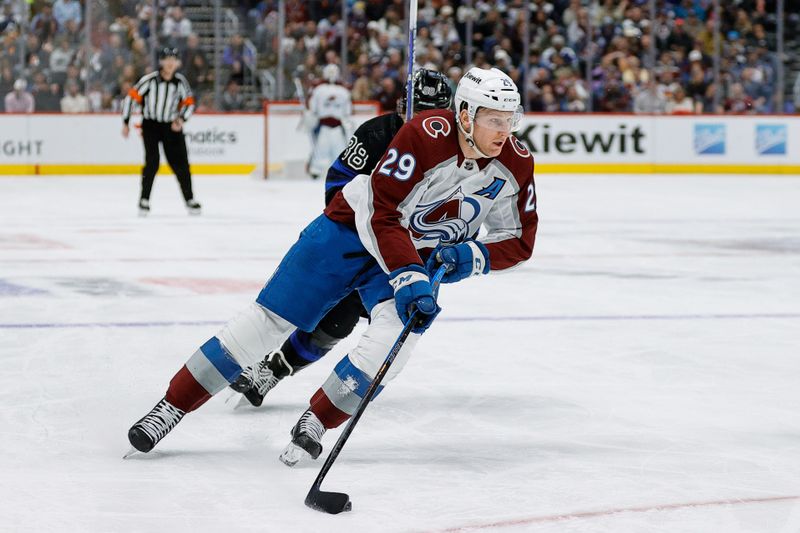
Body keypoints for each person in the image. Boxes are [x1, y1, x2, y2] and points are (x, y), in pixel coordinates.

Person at [126, 67, 538, 468]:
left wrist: (471, 257)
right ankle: (169, 408)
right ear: (465, 115)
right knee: (264, 324)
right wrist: (411, 275)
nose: (505, 130)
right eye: (494, 119)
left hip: (408, 251)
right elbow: (381, 212)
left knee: (392, 346)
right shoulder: (421, 135)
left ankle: (317, 421)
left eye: (510, 119)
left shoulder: (516, 163)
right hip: (349, 231)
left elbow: (519, 239)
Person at [229, 69, 454, 408]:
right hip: (358, 245)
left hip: (403, 256)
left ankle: (289, 376)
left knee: (347, 322)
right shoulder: (376, 133)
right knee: (324, 310)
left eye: (434, 113)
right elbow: (338, 184)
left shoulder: (455, 151)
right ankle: (269, 368)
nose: (427, 122)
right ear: (402, 107)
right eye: (419, 111)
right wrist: (364, 226)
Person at [121, 47, 201, 216]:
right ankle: (144, 200)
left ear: (177, 63)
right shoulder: (149, 80)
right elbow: (130, 98)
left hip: (171, 127)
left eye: (174, 59)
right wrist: (126, 122)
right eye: (167, 59)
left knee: (181, 165)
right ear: (161, 62)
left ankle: (189, 199)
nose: (170, 63)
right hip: (151, 125)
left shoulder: (180, 82)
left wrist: (181, 119)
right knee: (152, 162)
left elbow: (189, 103)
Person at [306, 63, 352, 179]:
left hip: (335, 127)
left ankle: (323, 171)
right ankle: (316, 171)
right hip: (325, 126)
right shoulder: (341, 90)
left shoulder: (319, 89)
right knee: (321, 150)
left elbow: (312, 108)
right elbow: (348, 111)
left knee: (337, 150)